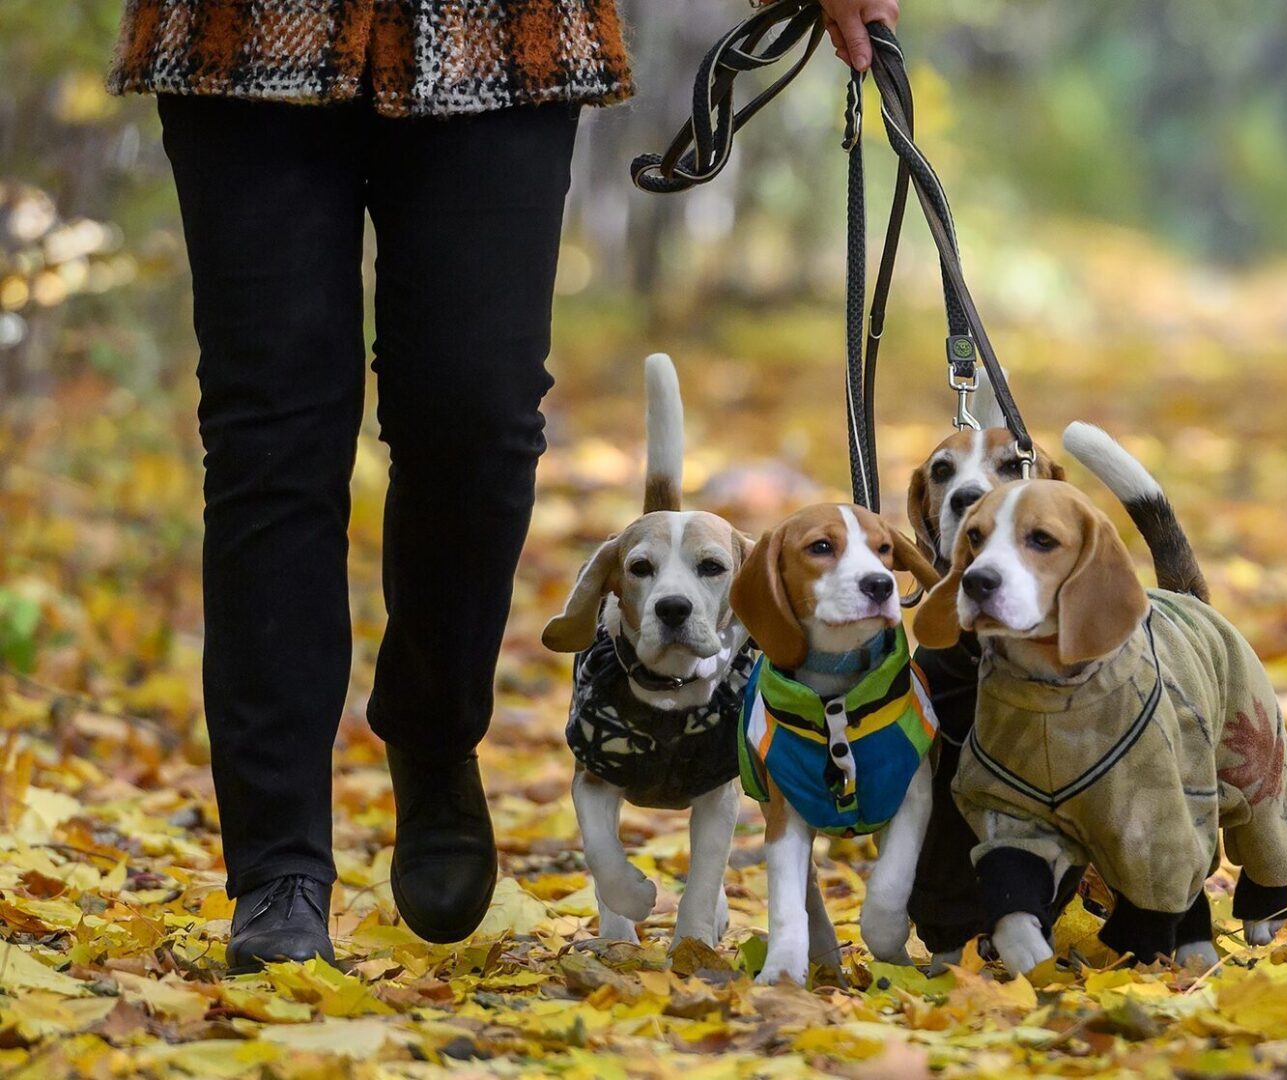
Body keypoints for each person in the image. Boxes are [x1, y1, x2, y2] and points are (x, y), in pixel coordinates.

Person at [106, 0, 900, 971]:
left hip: (504, 32)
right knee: (267, 438)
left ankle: (435, 736)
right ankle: (278, 863)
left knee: (476, 424)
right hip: (243, 31)